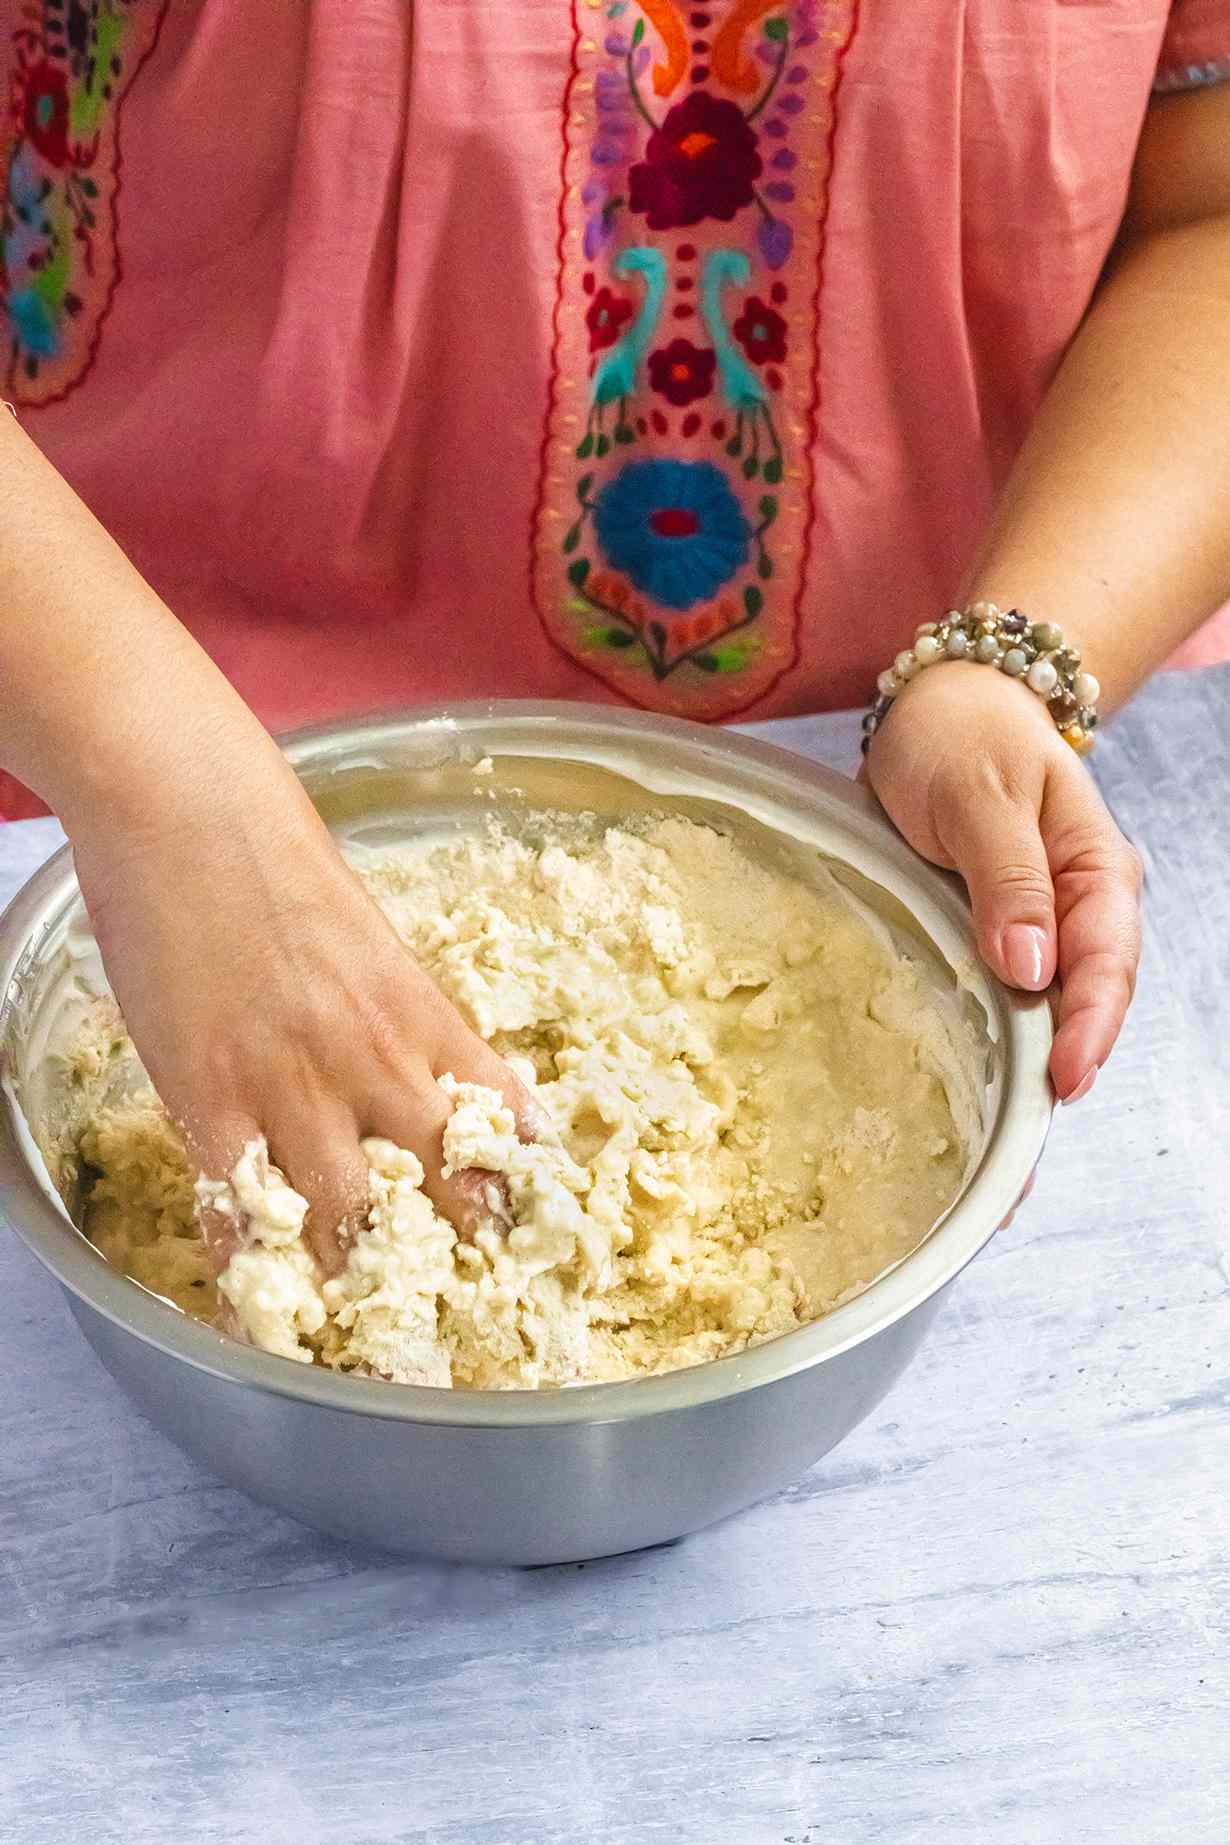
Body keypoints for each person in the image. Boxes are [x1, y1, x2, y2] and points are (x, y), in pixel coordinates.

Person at [1, 0, 1226, 1269]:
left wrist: (999, 670)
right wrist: (163, 792)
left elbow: (1212, 197)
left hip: (903, 742)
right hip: (94, 714)